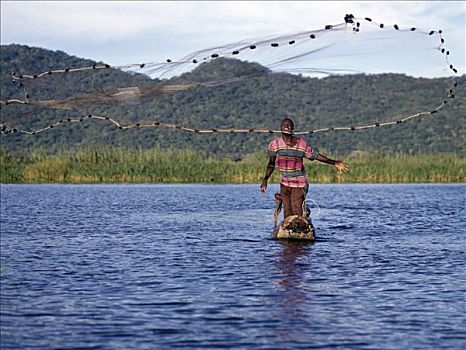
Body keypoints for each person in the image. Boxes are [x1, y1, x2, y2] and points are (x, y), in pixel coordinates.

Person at [260, 118, 348, 219]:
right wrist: (265, 179)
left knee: (296, 208)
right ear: (281, 129)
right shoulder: (274, 145)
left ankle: (301, 218)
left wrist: (334, 162)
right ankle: (285, 213)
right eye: (285, 125)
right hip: (284, 182)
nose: (287, 127)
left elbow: (316, 156)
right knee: (288, 211)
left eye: (289, 125)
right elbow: (271, 163)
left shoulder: (301, 144)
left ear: (292, 129)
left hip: (299, 183)